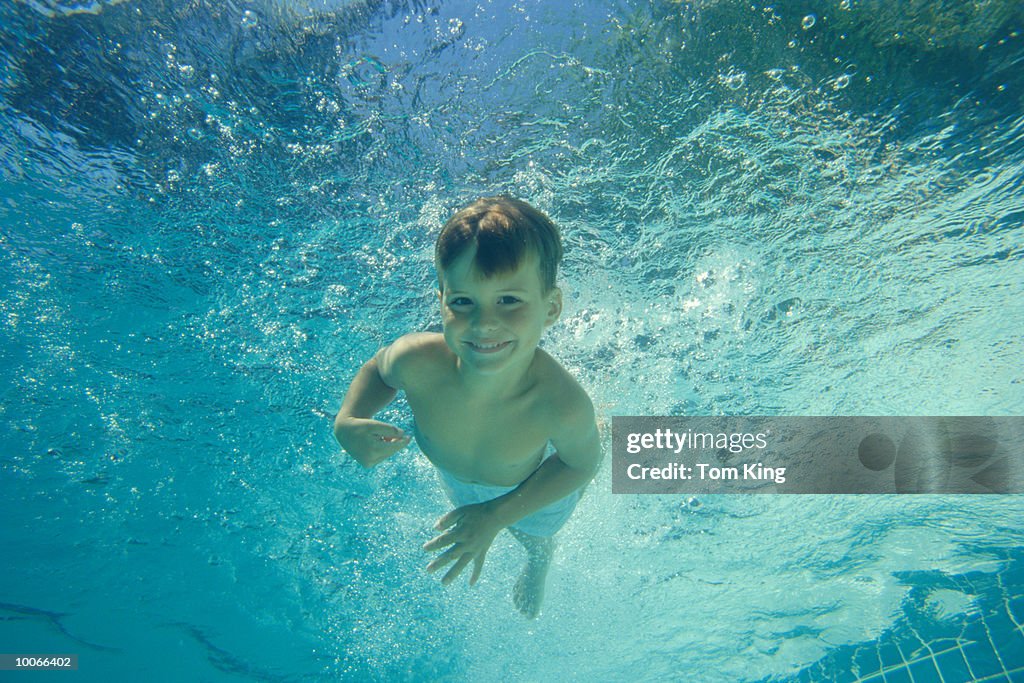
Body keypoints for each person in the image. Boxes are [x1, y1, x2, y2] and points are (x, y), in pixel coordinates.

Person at [333, 196, 602, 618]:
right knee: (470, 516)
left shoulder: (559, 403)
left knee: (530, 534)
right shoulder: (415, 360)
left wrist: (496, 515)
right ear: (441, 298)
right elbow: (379, 371)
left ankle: (538, 559)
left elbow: (582, 465)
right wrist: (347, 420)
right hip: (456, 478)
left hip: (532, 490)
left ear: (551, 308)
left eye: (509, 300)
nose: (483, 323)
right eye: (463, 302)